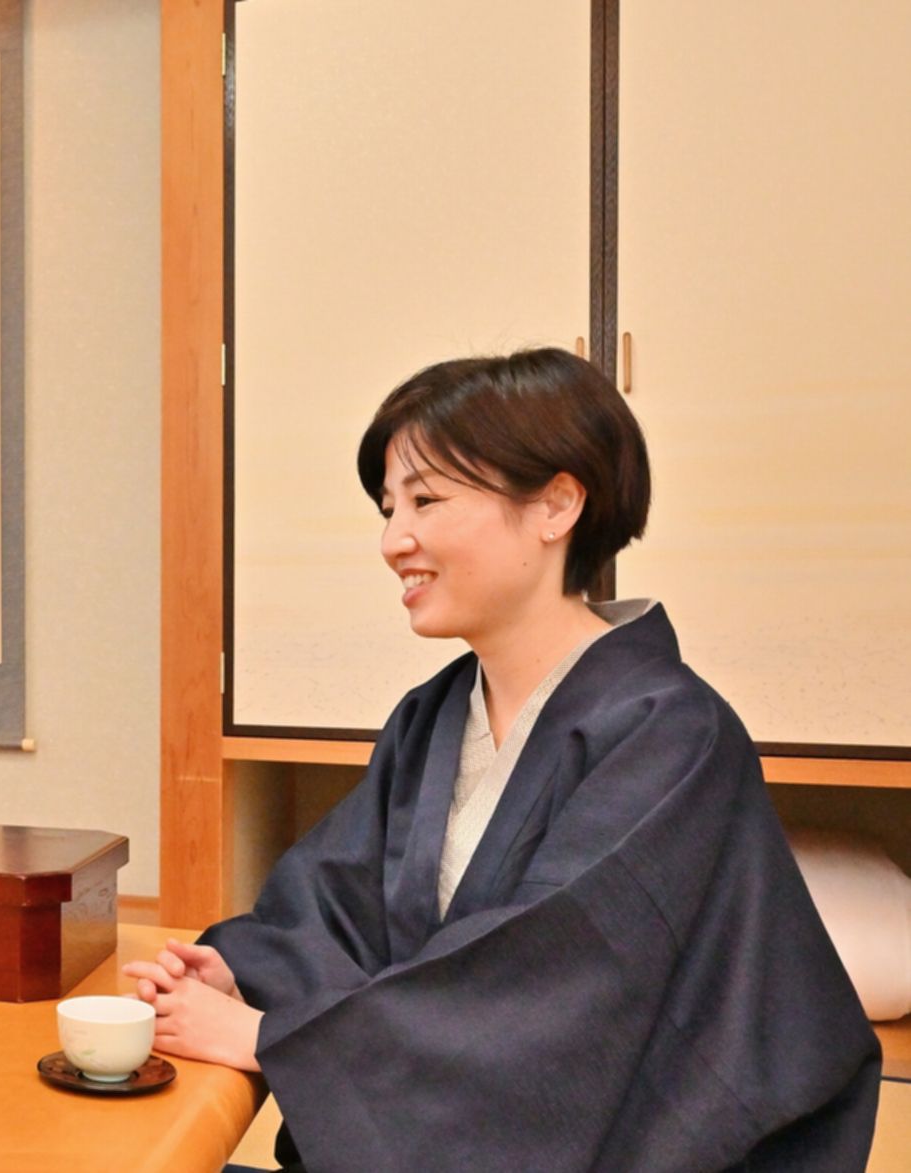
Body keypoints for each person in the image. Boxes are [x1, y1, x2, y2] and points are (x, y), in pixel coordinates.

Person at [126, 349, 880, 1170]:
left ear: (555, 504)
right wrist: (248, 976)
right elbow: (339, 907)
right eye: (387, 507)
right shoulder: (431, 716)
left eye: (425, 499)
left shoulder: (674, 733)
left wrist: (272, 1038)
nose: (392, 539)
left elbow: (549, 990)